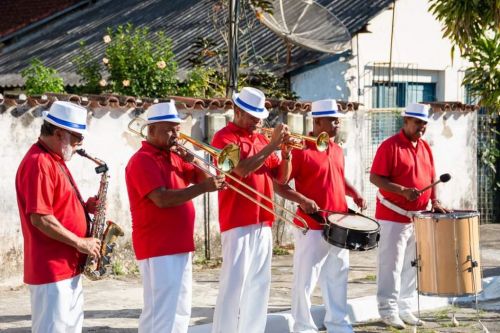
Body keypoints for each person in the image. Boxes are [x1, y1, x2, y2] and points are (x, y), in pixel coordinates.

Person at [125, 101, 225, 333]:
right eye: (169, 129)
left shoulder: (175, 155)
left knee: (179, 308)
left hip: (178, 243)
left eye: (177, 128)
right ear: (151, 130)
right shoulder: (142, 160)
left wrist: (194, 160)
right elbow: (161, 199)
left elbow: (204, 178)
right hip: (158, 244)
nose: (176, 134)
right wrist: (203, 188)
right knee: (164, 311)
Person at [274, 99, 366, 333]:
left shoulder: (336, 149)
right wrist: (302, 201)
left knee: (337, 277)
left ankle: (338, 324)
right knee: (305, 281)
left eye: (338, 120)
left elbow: (337, 176)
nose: (337, 123)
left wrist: (353, 193)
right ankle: (302, 327)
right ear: (317, 121)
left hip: (339, 223)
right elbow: (280, 185)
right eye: (332, 120)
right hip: (311, 225)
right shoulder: (300, 149)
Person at [210, 87, 293, 333]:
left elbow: (281, 179)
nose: (258, 121)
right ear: (237, 111)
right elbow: (241, 170)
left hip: (264, 220)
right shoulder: (224, 138)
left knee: (259, 285)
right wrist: (271, 146)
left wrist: (286, 154)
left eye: (259, 116)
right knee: (233, 287)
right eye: (252, 115)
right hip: (237, 220)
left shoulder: (260, 137)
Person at [15, 101, 101, 333]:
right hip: (52, 268)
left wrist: (85, 207)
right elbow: (40, 218)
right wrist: (80, 242)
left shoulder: (53, 159)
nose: (79, 144)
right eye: (76, 138)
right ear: (59, 133)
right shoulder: (40, 163)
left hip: (66, 266)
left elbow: (56, 206)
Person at [370, 103, 448, 329]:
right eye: (417, 122)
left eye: (424, 123)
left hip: (419, 217)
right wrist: (402, 191)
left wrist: (435, 200)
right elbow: (375, 178)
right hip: (392, 216)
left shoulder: (425, 147)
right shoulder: (389, 146)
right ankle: (387, 310)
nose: (421, 127)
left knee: (412, 265)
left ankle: (405, 307)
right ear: (405, 121)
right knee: (390, 266)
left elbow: (432, 177)